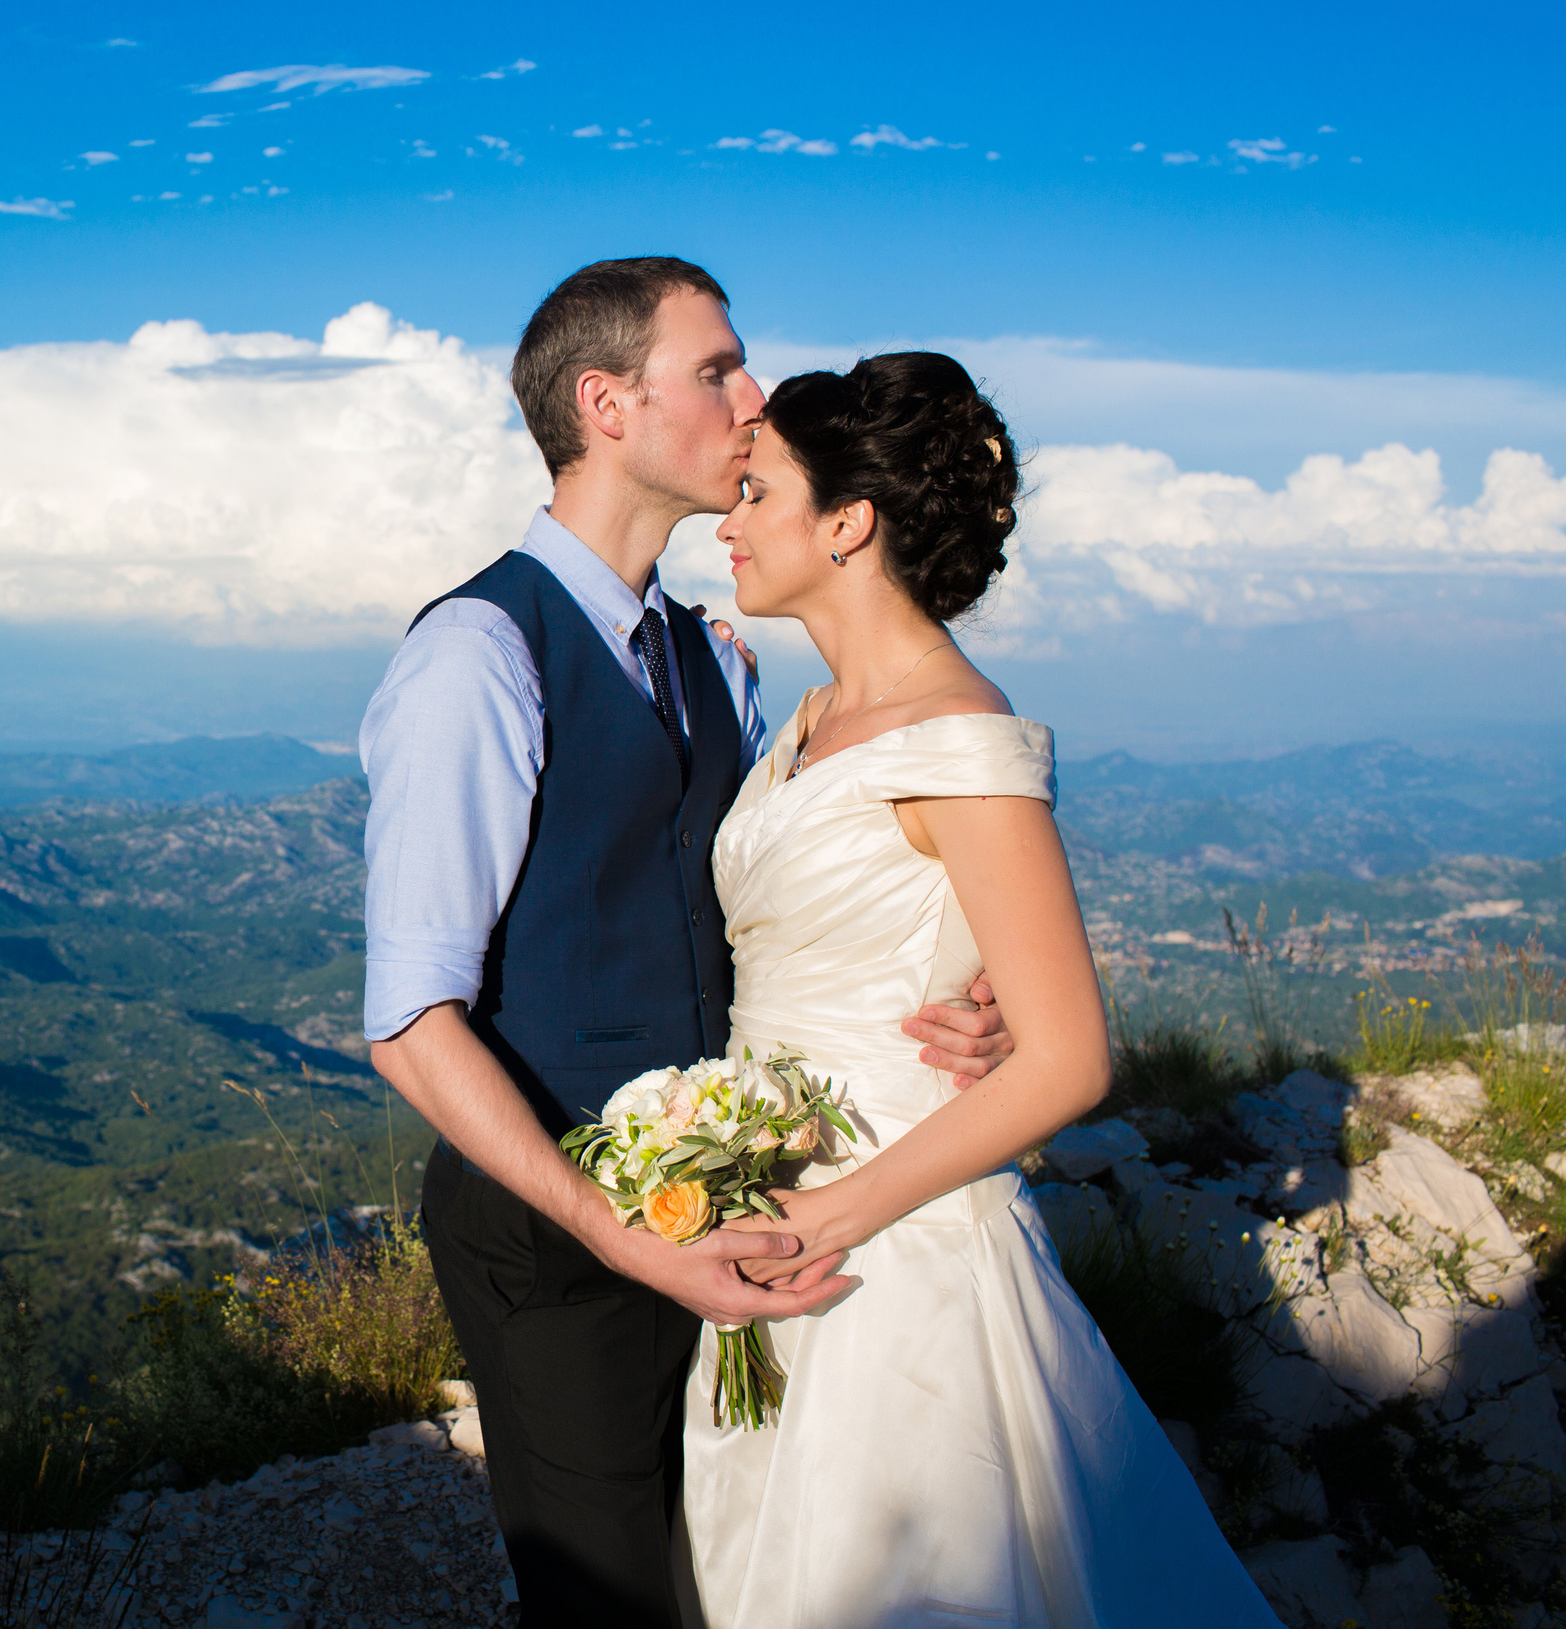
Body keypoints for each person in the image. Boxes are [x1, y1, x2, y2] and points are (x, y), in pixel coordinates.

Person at [360, 258, 1017, 1628]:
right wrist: (619, 1229)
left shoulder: (721, 657)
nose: (753, 396)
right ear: (606, 403)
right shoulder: (479, 654)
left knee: (728, 1573)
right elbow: (412, 1021)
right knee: (614, 1603)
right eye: (717, 367)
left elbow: (801, 902)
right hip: (554, 1232)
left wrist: (969, 978)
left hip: (728, 1204)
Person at [678, 350, 1279, 1625]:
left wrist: (831, 1219)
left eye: (754, 493)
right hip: (769, 1216)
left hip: (895, 1245)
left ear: (847, 523)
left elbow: (1068, 1058)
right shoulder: (808, 717)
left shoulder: (958, 738)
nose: (724, 523)